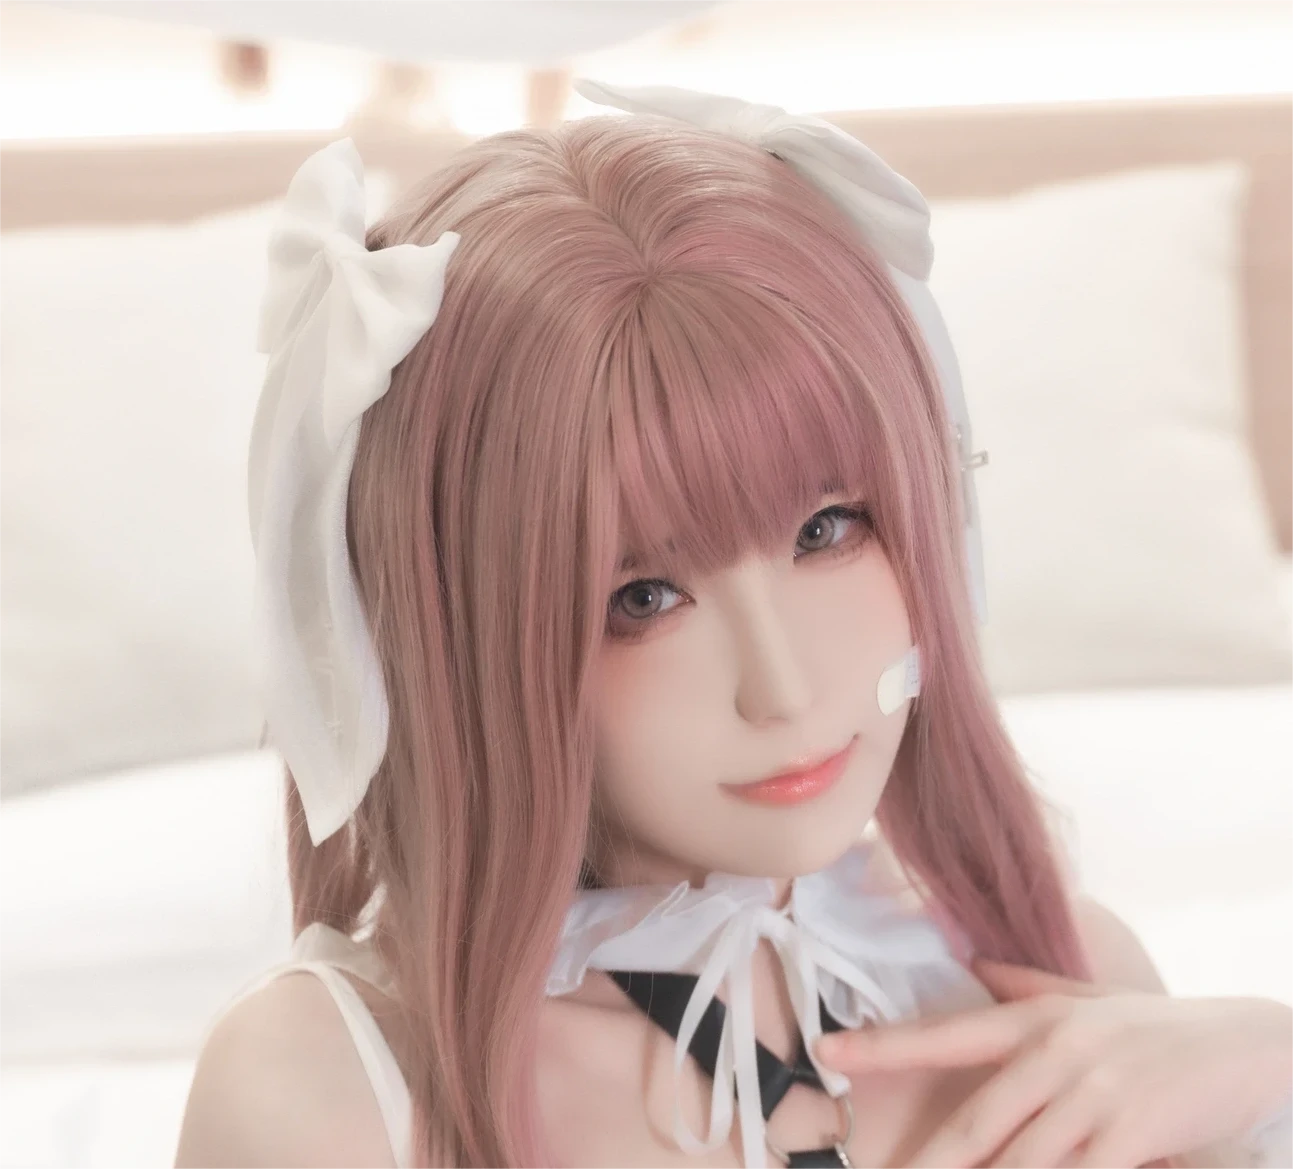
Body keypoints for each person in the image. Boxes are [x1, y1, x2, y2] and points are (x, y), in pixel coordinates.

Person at [172, 80, 1293, 1169]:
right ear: (460, 642)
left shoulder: (1080, 989)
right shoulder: (333, 1090)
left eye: (827, 528)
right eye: (642, 597)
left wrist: (1269, 1063)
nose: (783, 687)